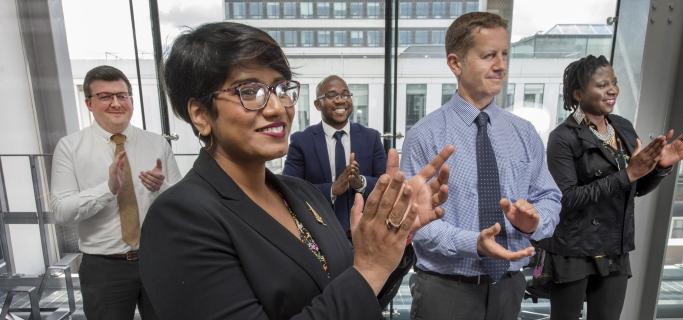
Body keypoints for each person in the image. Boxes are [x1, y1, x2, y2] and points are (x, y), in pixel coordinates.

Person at [138, 22, 455, 320]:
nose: (278, 107)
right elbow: (360, 282)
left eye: (280, 88)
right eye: (249, 91)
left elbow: (360, 298)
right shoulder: (180, 217)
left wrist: (394, 239)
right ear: (200, 114)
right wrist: (369, 269)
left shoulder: (302, 194)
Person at [400, 12, 562, 320]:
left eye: (504, 54)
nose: (501, 65)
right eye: (489, 55)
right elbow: (415, 223)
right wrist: (474, 243)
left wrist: (535, 222)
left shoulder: (524, 133)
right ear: (455, 64)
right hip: (446, 290)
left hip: (509, 287)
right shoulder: (425, 135)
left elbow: (550, 197)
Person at [536, 55, 683, 320]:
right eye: (602, 85)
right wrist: (628, 173)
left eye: (614, 82)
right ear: (578, 93)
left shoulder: (622, 127)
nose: (612, 89)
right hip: (573, 250)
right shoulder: (562, 137)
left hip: (614, 247)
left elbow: (635, 187)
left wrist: (660, 167)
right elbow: (566, 199)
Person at [50, 65, 182, 320]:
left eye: (122, 96)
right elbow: (61, 211)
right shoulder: (70, 147)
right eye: (105, 97)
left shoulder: (157, 143)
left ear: (131, 100)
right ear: (89, 103)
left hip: (158, 260)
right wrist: (108, 189)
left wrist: (161, 188)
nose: (116, 103)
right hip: (104, 268)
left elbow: (180, 203)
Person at [283, 75, 386, 235]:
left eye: (345, 94)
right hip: (321, 232)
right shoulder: (301, 141)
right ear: (318, 104)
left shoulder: (371, 137)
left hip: (366, 230)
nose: (340, 100)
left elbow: (384, 183)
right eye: (331, 96)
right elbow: (290, 189)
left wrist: (360, 183)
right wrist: (332, 189)